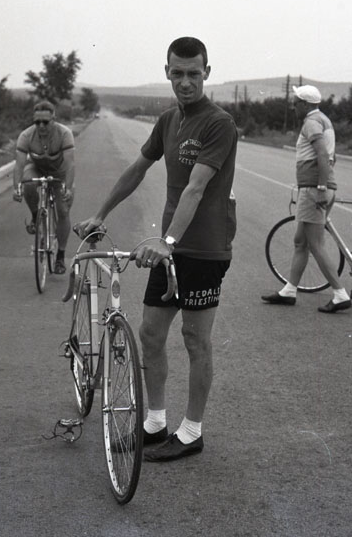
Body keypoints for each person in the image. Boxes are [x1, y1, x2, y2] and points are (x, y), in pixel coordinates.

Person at [74, 37, 237, 462]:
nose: (185, 82)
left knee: (195, 339)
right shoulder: (168, 120)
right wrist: (100, 214)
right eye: (177, 73)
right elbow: (138, 169)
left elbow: (196, 188)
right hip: (170, 248)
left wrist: (167, 242)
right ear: (167, 72)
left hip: (203, 248)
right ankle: (155, 423)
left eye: (194, 73)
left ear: (207, 72)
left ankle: (192, 431)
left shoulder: (219, 123)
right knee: (150, 333)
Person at [261, 85, 351, 313]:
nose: (293, 107)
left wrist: (320, 186)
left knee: (315, 244)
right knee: (300, 241)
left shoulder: (311, 122)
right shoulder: (324, 120)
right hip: (316, 187)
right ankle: (290, 290)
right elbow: (332, 156)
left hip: (313, 189)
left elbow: (322, 153)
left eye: (296, 103)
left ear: (305, 104)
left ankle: (340, 294)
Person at [12, 101, 75, 274]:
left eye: (45, 122)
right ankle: (36, 216)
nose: (41, 126)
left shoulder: (64, 133)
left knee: (63, 211)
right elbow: (19, 164)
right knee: (28, 183)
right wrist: (17, 187)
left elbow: (70, 164)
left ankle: (60, 256)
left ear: (54, 119)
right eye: (37, 122)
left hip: (60, 172)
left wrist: (68, 188)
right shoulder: (26, 135)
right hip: (37, 168)